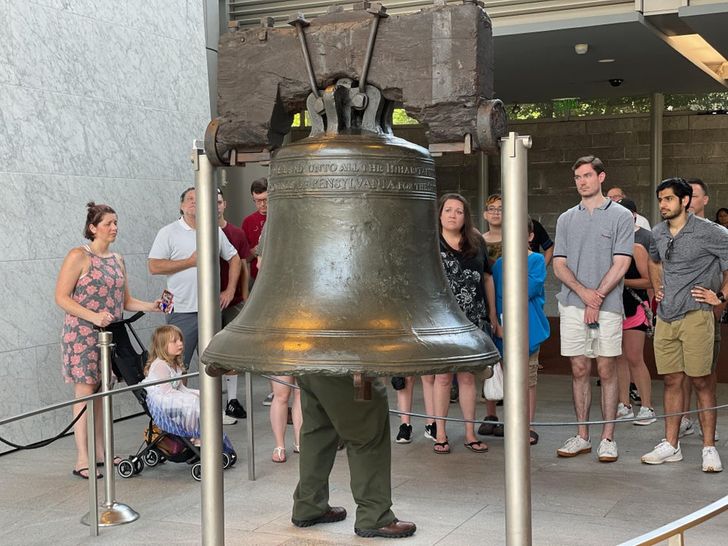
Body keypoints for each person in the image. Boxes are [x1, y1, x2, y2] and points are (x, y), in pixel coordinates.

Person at [55, 202, 162, 479]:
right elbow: (62, 297)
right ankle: (82, 458)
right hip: (82, 332)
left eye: (116, 223)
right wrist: (93, 315)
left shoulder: (117, 259)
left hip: (109, 333)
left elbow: (125, 301)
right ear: (93, 228)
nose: (114, 228)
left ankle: (102, 452)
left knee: (104, 391)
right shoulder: (79, 256)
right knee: (85, 392)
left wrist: (153, 306)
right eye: (108, 224)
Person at [641, 178, 728, 472]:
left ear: (686, 201)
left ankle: (708, 447)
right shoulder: (657, 233)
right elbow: (654, 262)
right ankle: (671, 444)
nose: (663, 205)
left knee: (702, 381)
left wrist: (720, 296)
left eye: (668, 199)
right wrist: (657, 287)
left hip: (697, 314)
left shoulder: (711, 232)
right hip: (666, 316)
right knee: (671, 381)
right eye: (660, 199)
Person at [553, 156, 633, 463]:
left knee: (606, 369)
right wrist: (585, 294)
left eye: (587, 175)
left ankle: (608, 437)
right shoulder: (565, 219)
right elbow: (559, 264)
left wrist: (597, 297)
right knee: (579, 368)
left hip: (609, 306)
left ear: (601, 177)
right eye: (577, 177)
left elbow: (622, 262)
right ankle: (582, 435)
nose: (582, 181)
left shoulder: (621, 215)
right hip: (573, 304)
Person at [425, 193, 498, 455]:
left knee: (468, 377)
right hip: (441, 320)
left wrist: (492, 314)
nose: (453, 215)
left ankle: (469, 432)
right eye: (448, 210)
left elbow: (487, 278)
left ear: (465, 216)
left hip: (472, 318)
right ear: (440, 215)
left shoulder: (476, 242)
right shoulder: (430, 244)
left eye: (459, 211)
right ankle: (441, 434)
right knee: (443, 377)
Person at [492, 216, 550, 445]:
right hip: (504, 329)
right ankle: (511, 422)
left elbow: (526, 289)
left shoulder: (535, 260)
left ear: (530, 236)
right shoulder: (498, 264)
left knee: (528, 380)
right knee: (509, 379)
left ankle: (528, 424)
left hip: (528, 330)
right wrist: (498, 324)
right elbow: (497, 296)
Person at [678, 179, 724, 439]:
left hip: (706, 312)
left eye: (694, 196)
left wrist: (719, 299)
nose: (689, 201)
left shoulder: (717, 232)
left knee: (706, 372)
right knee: (679, 373)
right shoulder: (672, 232)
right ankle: (682, 419)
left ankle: (709, 425)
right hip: (677, 312)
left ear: (705, 199)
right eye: (685, 196)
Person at [142, 325, 234, 453]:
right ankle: (196, 435)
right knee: (193, 404)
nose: (180, 344)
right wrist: (192, 398)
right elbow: (166, 392)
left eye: (180, 340)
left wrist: (198, 394)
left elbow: (180, 388)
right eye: (174, 341)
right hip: (161, 402)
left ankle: (205, 433)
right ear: (163, 345)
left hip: (172, 396)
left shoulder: (174, 363)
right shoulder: (160, 365)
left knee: (204, 397)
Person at [255, 230, 302, 463]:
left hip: (305, 323)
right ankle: (280, 445)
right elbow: (259, 265)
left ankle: (299, 442)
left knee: (302, 392)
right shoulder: (272, 231)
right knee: (282, 393)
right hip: (281, 325)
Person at [613, 199, 656, 426]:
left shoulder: (637, 246)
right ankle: (624, 404)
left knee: (634, 357)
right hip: (613, 309)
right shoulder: (609, 244)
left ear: (633, 216)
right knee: (618, 358)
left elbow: (649, 280)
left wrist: (622, 280)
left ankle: (647, 406)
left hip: (634, 307)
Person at [217, 188, 250, 420]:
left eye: (219, 202)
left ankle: (232, 399)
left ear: (224, 204)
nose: (216, 206)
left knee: (232, 352)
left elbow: (244, 265)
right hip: (205, 303)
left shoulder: (236, 233)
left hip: (232, 300)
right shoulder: (197, 232)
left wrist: (243, 295)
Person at [477, 193, 504, 436]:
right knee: (490, 361)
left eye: (500, 208)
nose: (496, 212)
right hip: (485, 304)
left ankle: (512, 415)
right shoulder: (479, 241)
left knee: (510, 361)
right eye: (491, 209)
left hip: (508, 302)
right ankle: (490, 413)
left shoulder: (514, 239)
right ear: (485, 214)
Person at [241, 177, 268, 286]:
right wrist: (256, 250)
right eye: (258, 200)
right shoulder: (248, 222)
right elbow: (244, 258)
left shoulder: (281, 218)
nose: (262, 204)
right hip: (256, 278)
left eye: (265, 199)